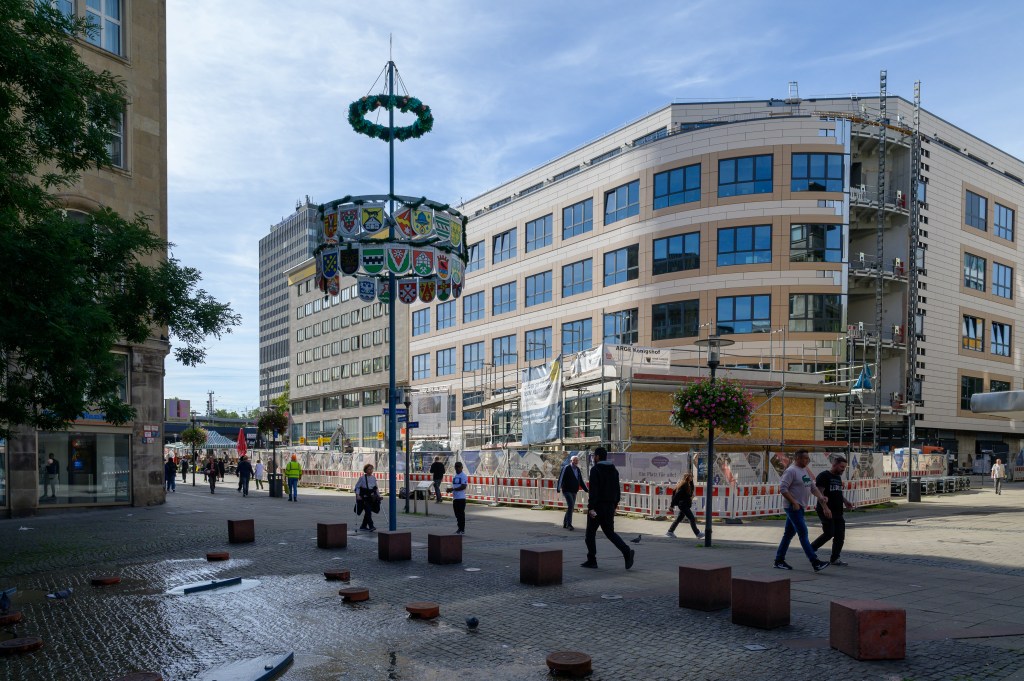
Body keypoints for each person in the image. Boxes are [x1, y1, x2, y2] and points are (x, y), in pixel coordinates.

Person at [774, 449, 831, 572]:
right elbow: (783, 488)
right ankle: (815, 562)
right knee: (803, 533)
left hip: (799, 507)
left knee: (788, 534)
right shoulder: (791, 471)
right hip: (793, 507)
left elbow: (812, 487)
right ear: (797, 458)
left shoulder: (804, 471)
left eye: (808, 458)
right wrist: (794, 502)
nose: (807, 460)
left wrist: (821, 497)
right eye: (804, 458)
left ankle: (779, 560)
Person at [581, 447, 634, 570]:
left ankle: (592, 560)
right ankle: (627, 551)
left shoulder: (595, 470)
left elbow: (594, 490)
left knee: (590, 534)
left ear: (598, 457)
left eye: (594, 456)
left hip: (598, 506)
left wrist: (591, 508)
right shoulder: (613, 470)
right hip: (610, 506)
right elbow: (617, 489)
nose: (594, 458)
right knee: (609, 532)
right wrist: (614, 504)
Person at [810, 455, 854, 566]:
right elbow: (820, 494)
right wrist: (825, 508)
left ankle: (835, 558)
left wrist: (845, 501)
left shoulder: (838, 477)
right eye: (841, 467)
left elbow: (837, 492)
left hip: (838, 511)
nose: (843, 469)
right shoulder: (824, 476)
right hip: (826, 510)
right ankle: (810, 549)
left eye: (844, 467)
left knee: (840, 535)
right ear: (834, 464)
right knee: (829, 533)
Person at [665, 472, 703, 539]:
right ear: (687, 477)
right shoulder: (684, 485)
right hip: (683, 505)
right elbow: (677, 496)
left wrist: (691, 496)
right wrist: (672, 505)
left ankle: (670, 531)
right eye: (690, 476)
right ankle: (697, 533)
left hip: (685, 504)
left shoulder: (688, 484)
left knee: (679, 519)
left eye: (692, 476)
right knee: (692, 518)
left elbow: (689, 493)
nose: (692, 478)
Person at [556, 455, 589, 531]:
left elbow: (580, 481)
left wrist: (586, 490)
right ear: (571, 461)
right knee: (571, 505)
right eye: (575, 460)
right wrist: (558, 488)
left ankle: (565, 522)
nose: (576, 462)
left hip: (574, 491)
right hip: (567, 490)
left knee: (571, 507)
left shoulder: (577, 470)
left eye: (577, 461)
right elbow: (561, 478)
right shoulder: (566, 468)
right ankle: (569, 524)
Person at [353, 463, 379, 531]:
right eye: (369, 469)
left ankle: (363, 526)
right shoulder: (362, 478)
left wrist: (378, 496)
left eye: (372, 469)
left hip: (371, 497)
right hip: (364, 497)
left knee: (368, 511)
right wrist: (358, 495)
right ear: (366, 470)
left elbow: (376, 488)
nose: (371, 471)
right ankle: (371, 526)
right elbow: (357, 487)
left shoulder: (373, 478)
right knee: (368, 511)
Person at [451, 461, 468, 535]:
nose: (457, 468)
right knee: (457, 514)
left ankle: (462, 529)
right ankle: (459, 528)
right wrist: (451, 489)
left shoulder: (463, 476)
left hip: (461, 498)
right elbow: (455, 486)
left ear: (462, 467)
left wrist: (453, 489)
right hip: (455, 498)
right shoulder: (455, 476)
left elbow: (463, 486)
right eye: (456, 467)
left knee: (461, 514)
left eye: (458, 467)